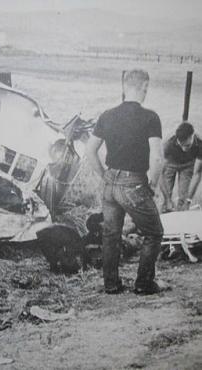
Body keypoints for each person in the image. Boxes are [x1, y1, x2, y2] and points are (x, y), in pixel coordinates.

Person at [86, 69, 164, 295]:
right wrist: (153, 184)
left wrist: (104, 176)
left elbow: (90, 150)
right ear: (145, 87)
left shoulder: (107, 115)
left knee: (110, 234)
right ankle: (143, 284)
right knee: (154, 233)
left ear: (124, 87)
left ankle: (111, 284)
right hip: (135, 182)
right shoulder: (150, 117)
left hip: (110, 181)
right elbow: (157, 158)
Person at [160, 122, 202, 211]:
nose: (183, 149)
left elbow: (197, 173)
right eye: (181, 145)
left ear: (192, 136)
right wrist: (167, 199)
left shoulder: (200, 143)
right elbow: (160, 174)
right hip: (170, 163)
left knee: (184, 199)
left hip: (188, 164)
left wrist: (188, 200)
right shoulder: (168, 143)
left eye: (187, 145)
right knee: (165, 201)